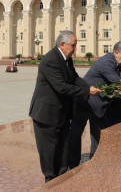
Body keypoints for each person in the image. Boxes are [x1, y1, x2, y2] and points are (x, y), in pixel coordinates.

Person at [29, 30, 101, 182]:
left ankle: (61, 180)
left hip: (61, 113)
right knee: (50, 153)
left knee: (63, 150)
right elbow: (61, 87)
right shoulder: (50, 60)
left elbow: (74, 78)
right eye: (73, 45)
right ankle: (50, 182)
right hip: (46, 115)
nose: (75, 49)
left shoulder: (66, 58)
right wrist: (87, 91)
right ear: (63, 44)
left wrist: (90, 86)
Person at [68, 41, 121, 169]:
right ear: (116, 52)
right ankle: (72, 166)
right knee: (76, 133)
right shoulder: (106, 62)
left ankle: (96, 163)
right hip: (84, 102)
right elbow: (118, 83)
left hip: (98, 105)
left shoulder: (119, 63)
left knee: (97, 135)